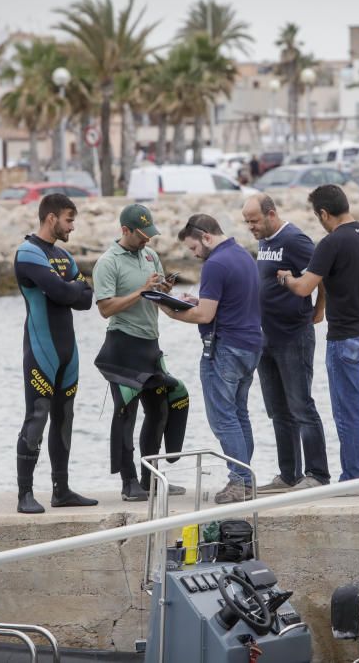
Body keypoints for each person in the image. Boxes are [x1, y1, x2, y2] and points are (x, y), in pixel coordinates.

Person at [278, 184, 359, 485]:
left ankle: (355, 477)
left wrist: (287, 279)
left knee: (348, 412)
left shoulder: (331, 243)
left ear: (323, 213)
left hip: (346, 337)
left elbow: (305, 287)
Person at [153, 214, 262, 504]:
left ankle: (240, 482)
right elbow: (230, 302)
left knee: (223, 419)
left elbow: (205, 316)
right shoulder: (244, 256)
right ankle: (246, 478)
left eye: (193, 248)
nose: (194, 254)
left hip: (224, 348)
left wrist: (167, 308)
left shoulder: (215, 264)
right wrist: (195, 301)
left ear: (206, 237)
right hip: (251, 346)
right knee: (239, 415)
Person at [92, 204, 190, 502]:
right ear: (125, 230)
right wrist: (141, 291)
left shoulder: (150, 256)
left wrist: (167, 292)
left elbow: (157, 299)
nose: (147, 240)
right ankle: (128, 482)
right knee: (126, 415)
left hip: (150, 346)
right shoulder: (108, 263)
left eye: (150, 234)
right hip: (123, 346)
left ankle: (151, 479)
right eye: (141, 235)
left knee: (160, 411)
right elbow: (105, 308)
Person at [13, 193, 97, 513]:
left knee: (65, 418)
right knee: (38, 417)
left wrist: (67, 289)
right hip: (41, 349)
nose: (72, 227)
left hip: (68, 352)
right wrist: (68, 288)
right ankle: (25, 494)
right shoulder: (28, 252)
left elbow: (85, 299)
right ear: (51, 218)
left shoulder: (62, 256)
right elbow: (65, 291)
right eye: (69, 219)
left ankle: (61, 490)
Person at [241, 194, 331, 493]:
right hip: (266, 337)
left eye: (254, 221)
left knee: (301, 406)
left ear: (271, 214)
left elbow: (322, 276)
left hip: (294, 336)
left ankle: (317, 473)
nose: (251, 227)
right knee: (277, 410)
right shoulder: (265, 242)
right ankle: (288, 474)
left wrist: (318, 312)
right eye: (247, 222)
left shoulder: (294, 239)